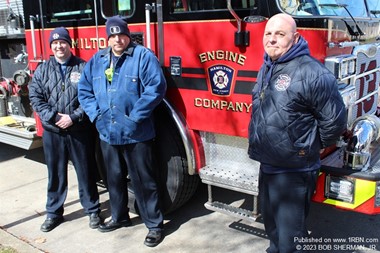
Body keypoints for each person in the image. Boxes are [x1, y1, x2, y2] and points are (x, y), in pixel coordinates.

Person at [247, 14, 347, 253]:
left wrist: (310, 146)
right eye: (268, 34)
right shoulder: (268, 67)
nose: (272, 40)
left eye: (280, 34)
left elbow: (335, 120)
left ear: (296, 37)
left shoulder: (313, 72)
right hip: (268, 165)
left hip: (294, 170)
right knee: (272, 227)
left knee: (291, 239)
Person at [78, 15, 166, 247]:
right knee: (113, 179)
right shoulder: (97, 61)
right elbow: (84, 91)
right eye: (113, 35)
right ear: (108, 38)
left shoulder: (143, 57)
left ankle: (154, 225)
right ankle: (120, 217)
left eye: (121, 35)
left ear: (128, 35)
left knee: (144, 180)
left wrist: (134, 118)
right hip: (107, 132)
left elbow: (156, 89)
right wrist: (96, 116)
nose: (118, 39)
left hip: (136, 133)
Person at [29, 27, 101, 232]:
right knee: (56, 173)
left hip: (78, 130)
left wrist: (73, 117)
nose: (59, 46)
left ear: (70, 45)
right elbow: (35, 98)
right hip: (53, 132)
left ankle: (92, 210)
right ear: (51, 47)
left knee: (86, 171)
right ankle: (53, 213)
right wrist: (54, 117)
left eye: (63, 42)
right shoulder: (43, 70)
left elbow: (91, 97)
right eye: (55, 43)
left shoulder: (83, 67)